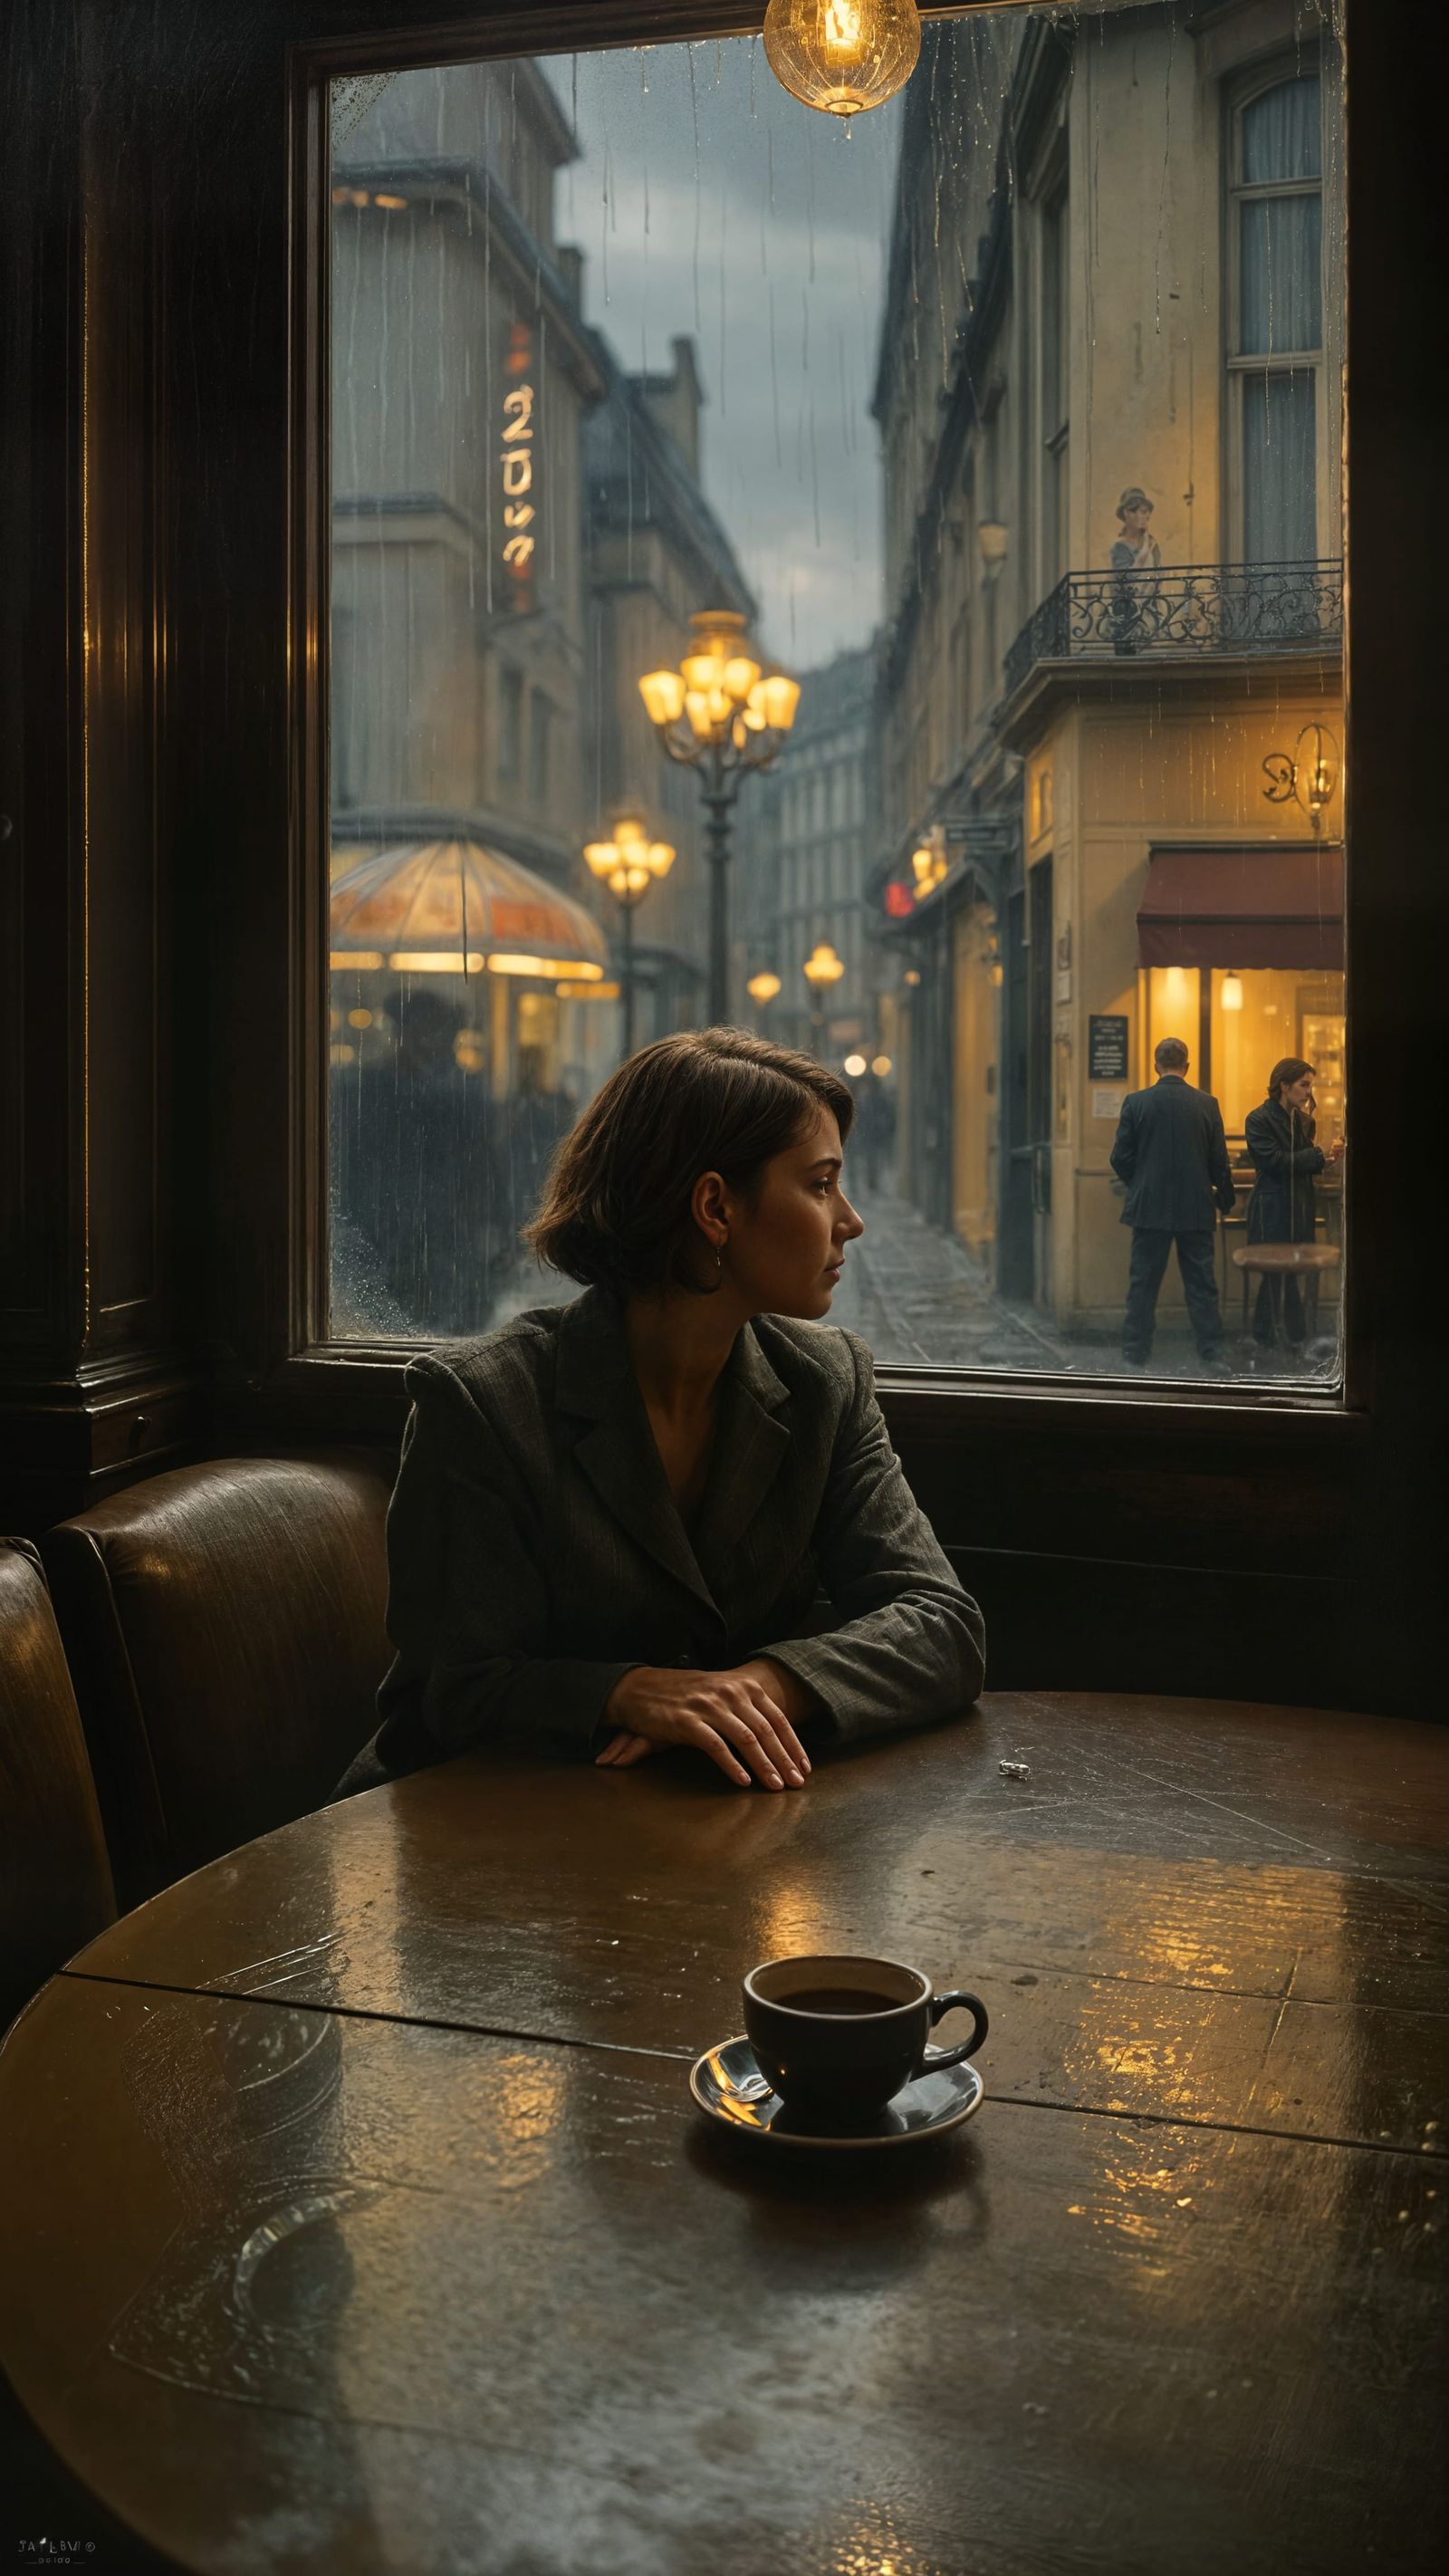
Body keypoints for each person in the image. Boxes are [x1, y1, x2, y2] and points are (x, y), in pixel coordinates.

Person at [335, 1028, 985, 1798]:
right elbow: (449, 1692)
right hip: (469, 1841)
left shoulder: (824, 1381)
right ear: (715, 1207)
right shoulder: (485, 1402)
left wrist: (764, 1687)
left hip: (695, 1830)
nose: (850, 1220)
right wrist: (622, 1691)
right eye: (819, 1184)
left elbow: (942, 1623)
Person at [1109, 1034, 1235, 1369]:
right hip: (1195, 1207)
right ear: (1187, 1066)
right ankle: (1211, 1352)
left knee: (1143, 1283)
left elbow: (1120, 1157)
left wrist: (1139, 1185)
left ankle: (1135, 1351)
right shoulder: (1207, 1104)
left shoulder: (1136, 1103)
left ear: (1156, 1066)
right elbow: (1219, 1161)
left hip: (1149, 1207)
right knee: (1201, 1284)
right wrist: (1226, 1198)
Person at [1243, 1057, 1346, 1349]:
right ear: (1283, 1086)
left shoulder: (1304, 1120)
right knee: (1277, 1272)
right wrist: (1316, 1156)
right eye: (1303, 1085)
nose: (1308, 1092)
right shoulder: (1258, 1119)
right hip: (1272, 1208)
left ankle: (1279, 1337)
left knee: (1289, 1273)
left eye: (1309, 1085)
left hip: (1299, 1204)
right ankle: (1290, 1335)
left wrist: (1324, 1160)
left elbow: (1297, 1163)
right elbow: (1274, 1162)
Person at [1109, 485, 1161, 655]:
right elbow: (1127, 579)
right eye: (1141, 511)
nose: (1146, 516)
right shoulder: (1120, 548)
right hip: (1126, 618)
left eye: (1147, 512)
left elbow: (1158, 579)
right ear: (1127, 514)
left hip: (1149, 617)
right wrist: (1145, 548)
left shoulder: (1154, 546)